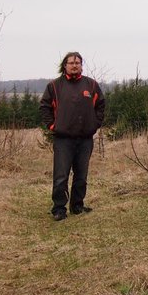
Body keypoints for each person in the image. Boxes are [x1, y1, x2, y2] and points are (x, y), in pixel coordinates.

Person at [39, 52, 105, 221]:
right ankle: (59, 209)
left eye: (78, 62)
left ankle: (77, 205)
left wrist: (94, 124)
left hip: (85, 139)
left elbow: (101, 106)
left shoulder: (91, 85)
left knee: (81, 175)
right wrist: (53, 126)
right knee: (61, 176)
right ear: (65, 65)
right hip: (63, 139)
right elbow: (45, 107)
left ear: (81, 65)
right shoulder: (54, 86)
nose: (75, 65)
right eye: (71, 63)